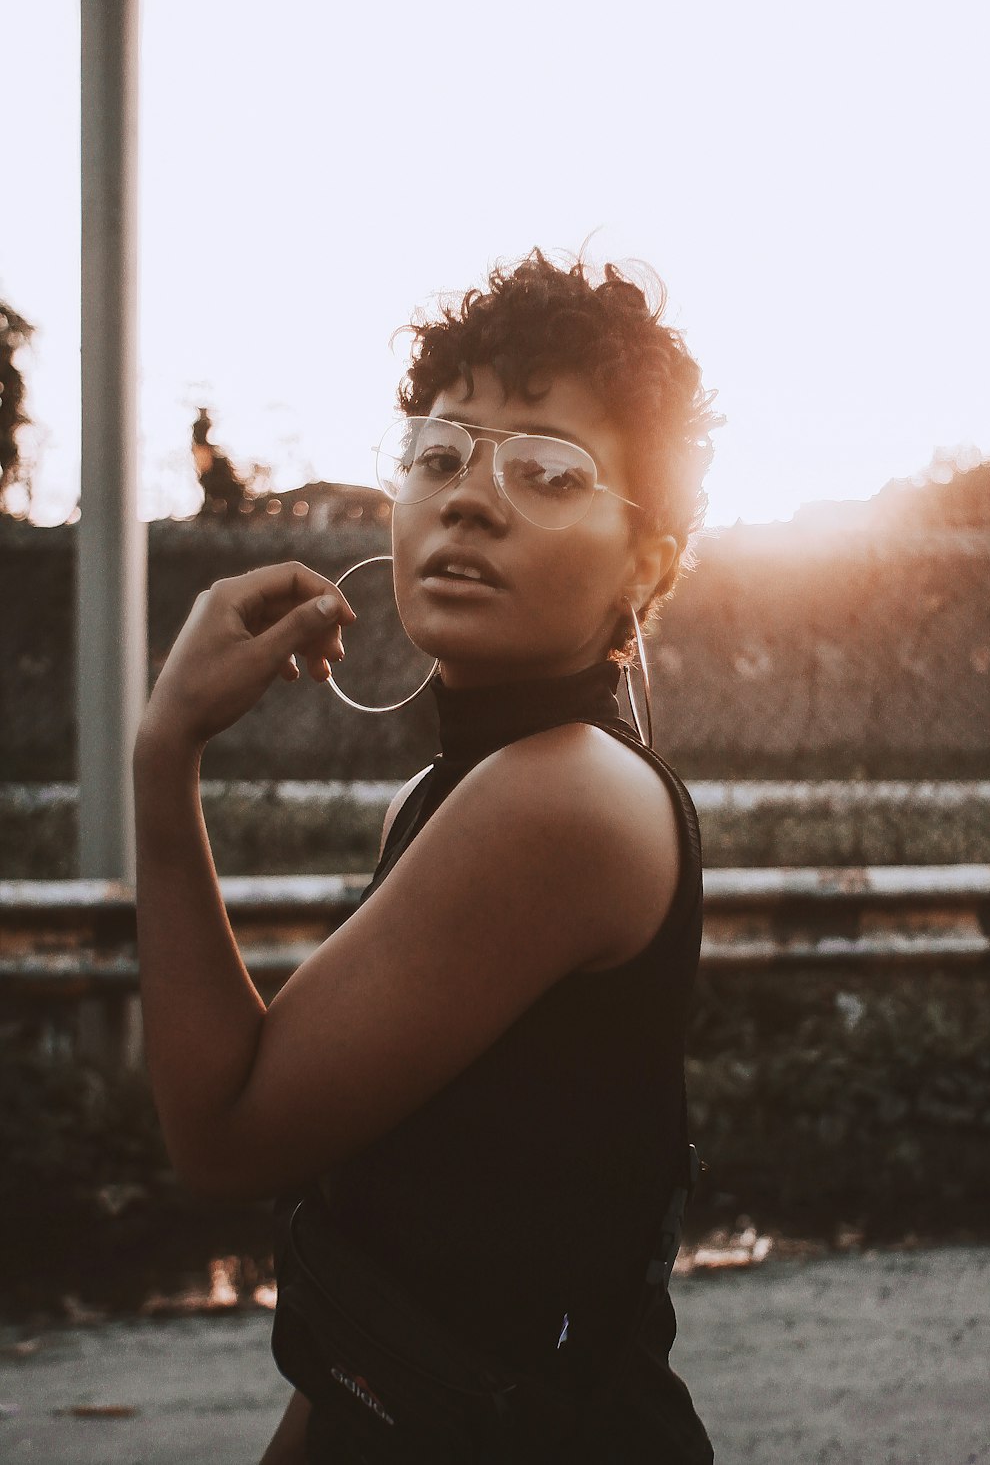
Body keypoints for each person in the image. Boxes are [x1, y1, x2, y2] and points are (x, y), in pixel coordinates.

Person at [132, 248, 721, 1463]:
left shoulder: (561, 802)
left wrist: (164, 752)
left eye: (549, 470)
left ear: (645, 562)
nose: (470, 498)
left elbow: (225, 1137)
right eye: (440, 454)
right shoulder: (446, 792)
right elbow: (402, 1275)